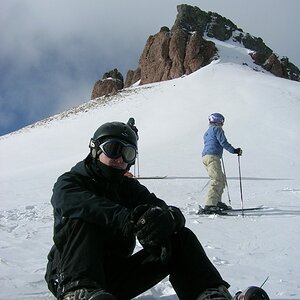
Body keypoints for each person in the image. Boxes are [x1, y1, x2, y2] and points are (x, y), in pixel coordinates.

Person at [45, 118, 232, 300]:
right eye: (113, 149)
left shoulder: (129, 188)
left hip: (115, 279)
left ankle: (208, 293)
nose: (119, 159)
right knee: (83, 218)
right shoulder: (71, 181)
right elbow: (74, 202)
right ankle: (80, 291)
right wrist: (125, 218)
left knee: (179, 237)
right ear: (95, 148)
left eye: (128, 154)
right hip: (68, 276)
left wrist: (167, 218)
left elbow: (162, 208)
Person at [201, 113, 242, 214]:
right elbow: (223, 142)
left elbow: (212, 143)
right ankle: (210, 205)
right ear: (218, 121)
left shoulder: (207, 132)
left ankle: (217, 202)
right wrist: (234, 151)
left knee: (221, 179)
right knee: (217, 179)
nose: (222, 124)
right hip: (212, 157)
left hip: (206, 157)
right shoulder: (217, 129)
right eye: (222, 121)